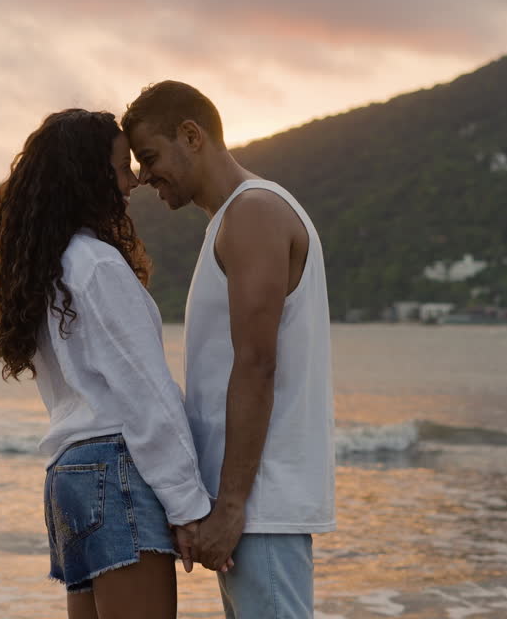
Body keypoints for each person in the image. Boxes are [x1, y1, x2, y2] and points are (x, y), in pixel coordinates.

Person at [0, 108, 228, 619]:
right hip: (115, 469)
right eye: (119, 169)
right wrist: (188, 507)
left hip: (69, 474)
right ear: (86, 178)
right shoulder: (97, 266)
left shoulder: (48, 269)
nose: (132, 181)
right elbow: (146, 394)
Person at [123, 83, 335, 619]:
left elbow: (257, 364)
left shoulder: (254, 213)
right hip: (249, 505)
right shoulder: (232, 218)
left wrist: (233, 505)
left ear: (191, 135)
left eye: (149, 157)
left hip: (260, 505)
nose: (144, 177)